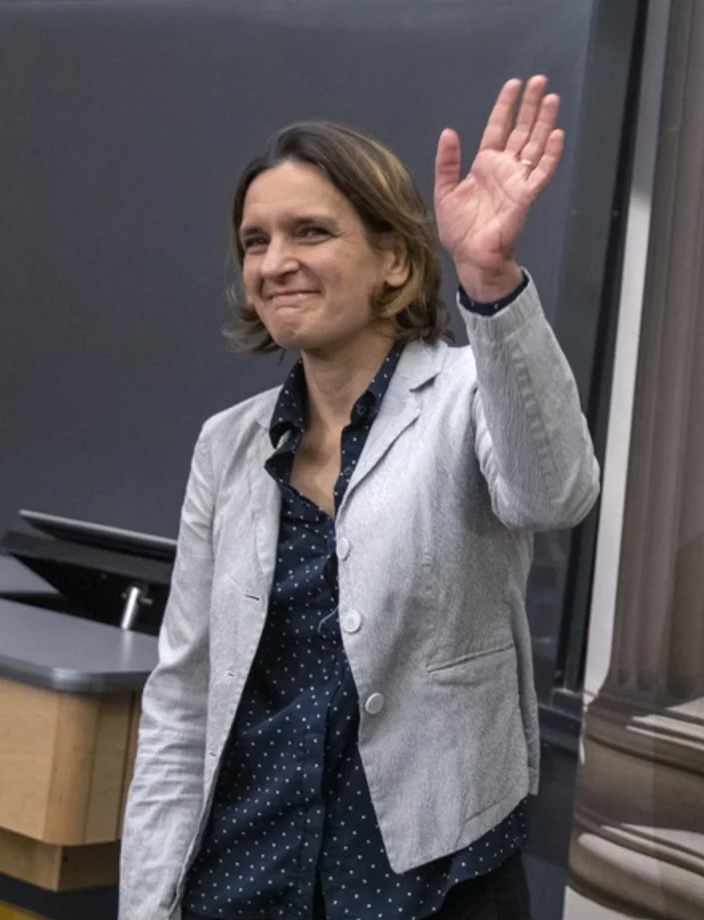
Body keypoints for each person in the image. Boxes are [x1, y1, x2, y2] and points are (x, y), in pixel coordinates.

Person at [120, 77, 599, 920]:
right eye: (255, 240)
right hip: (248, 868)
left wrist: (488, 279)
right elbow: (184, 696)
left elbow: (553, 493)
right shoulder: (226, 446)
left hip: (429, 876)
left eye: (311, 232)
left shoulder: (463, 394)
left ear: (395, 259)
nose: (275, 263)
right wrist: (148, 902)